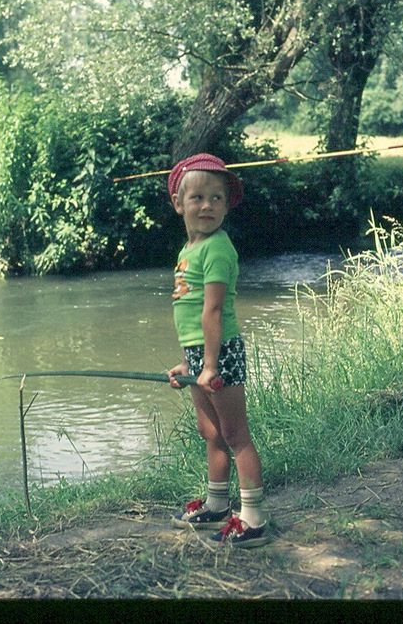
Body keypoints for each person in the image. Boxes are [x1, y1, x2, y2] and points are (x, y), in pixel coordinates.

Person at [167, 153, 267, 548]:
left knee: (234, 433)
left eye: (216, 198)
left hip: (220, 352)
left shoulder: (218, 249)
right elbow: (188, 314)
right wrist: (188, 363)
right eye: (197, 198)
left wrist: (208, 364)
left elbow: (212, 311)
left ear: (227, 205)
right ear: (179, 204)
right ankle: (217, 504)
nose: (207, 205)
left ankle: (254, 518)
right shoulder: (189, 250)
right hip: (201, 355)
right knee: (209, 431)